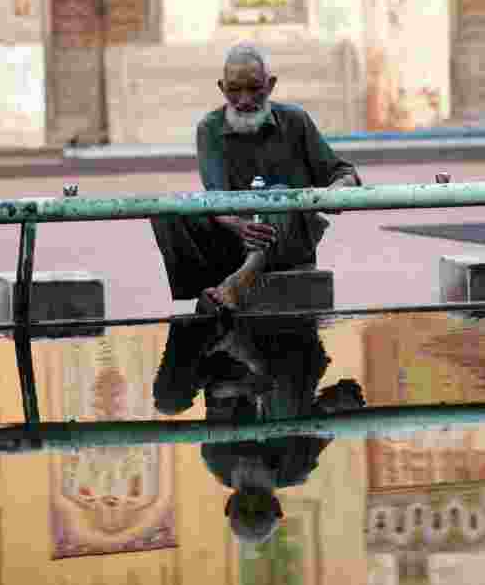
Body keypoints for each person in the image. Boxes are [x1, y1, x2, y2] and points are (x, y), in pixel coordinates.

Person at [150, 42, 362, 312]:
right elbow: (216, 197)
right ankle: (207, 289)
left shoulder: (295, 120)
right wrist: (240, 226)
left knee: (278, 194)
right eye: (234, 90)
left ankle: (242, 278)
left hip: (289, 237)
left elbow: (344, 172)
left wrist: (335, 190)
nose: (245, 100)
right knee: (168, 209)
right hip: (235, 235)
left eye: (254, 89)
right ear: (221, 88)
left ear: (270, 85)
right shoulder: (210, 128)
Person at [153, 315, 365, 546]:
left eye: (246, 504)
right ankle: (244, 350)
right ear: (274, 504)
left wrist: (243, 386)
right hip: (286, 353)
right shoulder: (294, 466)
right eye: (259, 503)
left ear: (231, 503)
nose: (253, 498)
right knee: (282, 418)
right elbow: (332, 407)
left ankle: (198, 322)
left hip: (232, 359)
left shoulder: (217, 459)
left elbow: (217, 393)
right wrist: (343, 405)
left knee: (169, 400)